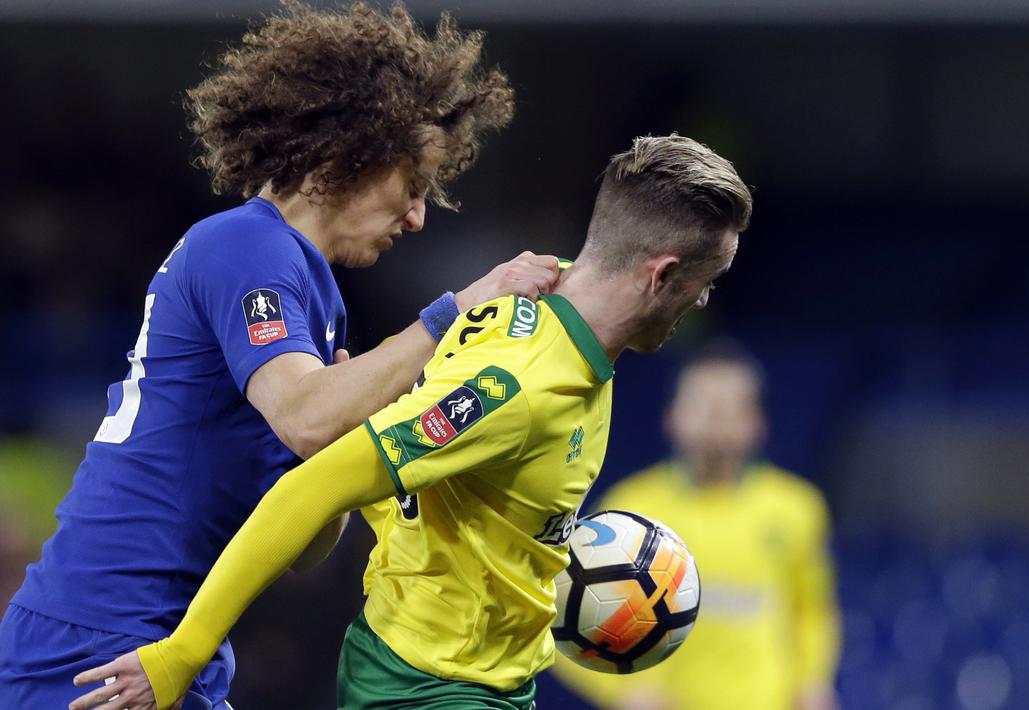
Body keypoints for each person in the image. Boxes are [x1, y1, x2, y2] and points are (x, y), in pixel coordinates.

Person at [0, 4, 562, 709]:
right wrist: (454, 313)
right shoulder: (247, 246)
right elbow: (303, 415)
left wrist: (342, 441)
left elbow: (307, 547)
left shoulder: (312, 298)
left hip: (173, 644)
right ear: (348, 154)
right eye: (412, 185)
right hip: (97, 639)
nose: (417, 216)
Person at [67, 133, 752, 710]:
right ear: (661, 275)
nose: (704, 300)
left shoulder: (552, 307)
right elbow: (312, 488)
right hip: (428, 685)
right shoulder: (517, 384)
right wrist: (181, 654)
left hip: (493, 678)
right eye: (708, 280)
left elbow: (404, 460)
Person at [552, 345, 842, 710]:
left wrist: (814, 683)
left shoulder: (796, 508)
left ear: (757, 422)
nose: (715, 418)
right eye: (702, 404)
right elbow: (561, 614)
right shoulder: (631, 510)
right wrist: (622, 692)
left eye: (730, 406)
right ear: (671, 416)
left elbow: (813, 611)